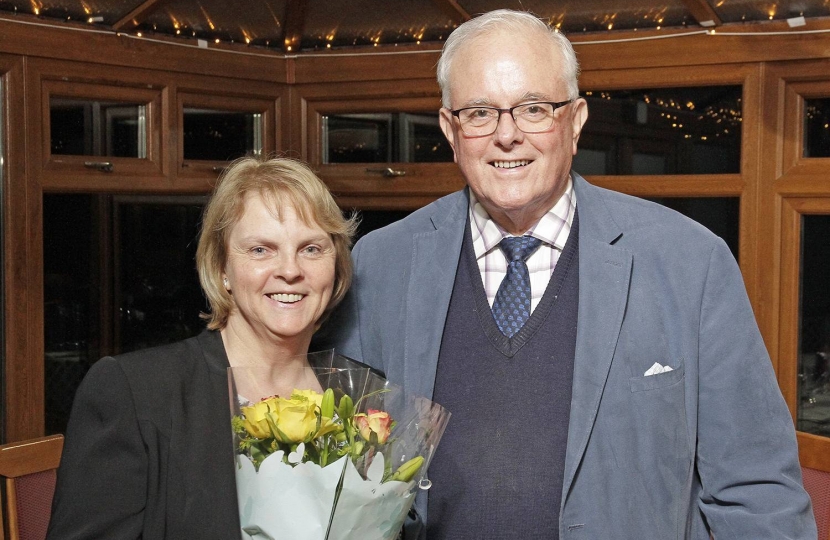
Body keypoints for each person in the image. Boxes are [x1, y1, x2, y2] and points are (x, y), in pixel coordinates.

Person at [317, 9, 817, 539]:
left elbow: (757, 492)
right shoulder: (383, 264)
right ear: (450, 129)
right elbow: (339, 473)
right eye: (480, 112)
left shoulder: (690, 264)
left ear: (576, 121)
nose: (506, 136)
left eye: (534, 108)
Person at [47, 156, 357, 539]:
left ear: (336, 265)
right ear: (222, 268)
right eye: (261, 249)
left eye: (311, 249)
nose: (290, 270)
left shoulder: (361, 396)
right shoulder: (134, 392)